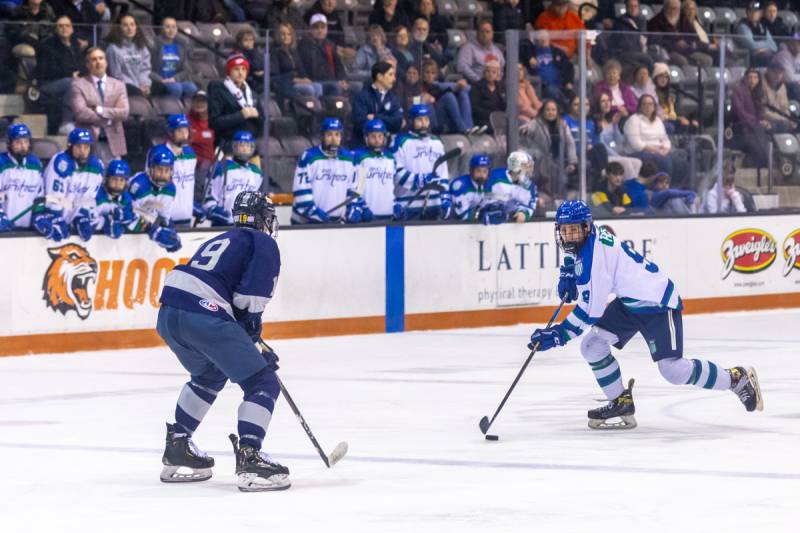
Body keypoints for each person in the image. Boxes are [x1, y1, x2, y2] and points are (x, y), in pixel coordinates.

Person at [528, 200, 763, 430]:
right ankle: (620, 401)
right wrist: (568, 272)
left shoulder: (595, 260)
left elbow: (590, 312)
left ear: (586, 227)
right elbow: (573, 253)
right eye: (564, 230)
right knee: (592, 346)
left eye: (574, 230)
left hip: (657, 302)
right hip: (631, 302)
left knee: (672, 370)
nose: (569, 236)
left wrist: (558, 335)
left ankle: (735, 378)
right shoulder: (588, 237)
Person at [157, 190, 289, 491]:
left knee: (209, 374)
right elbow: (249, 300)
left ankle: (178, 445)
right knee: (262, 383)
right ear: (264, 219)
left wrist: (253, 341)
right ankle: (250, 456)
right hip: (204, 315)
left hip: (169, 313)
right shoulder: (263, 242)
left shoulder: (222, 238)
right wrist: (256, 342)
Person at [37, 128, 103, 242]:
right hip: (51, 218)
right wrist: (55, 216)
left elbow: (88, 199)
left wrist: (81, 216)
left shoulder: (96, 167)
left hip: (72, 220)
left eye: (86, 147)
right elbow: (53, 196)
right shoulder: (61, 162)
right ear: (70, 146)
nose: (82, 151)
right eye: (78, 147)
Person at [292, 118, 357, 224]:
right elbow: (301, 191)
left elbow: (352, 189)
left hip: (335, 223)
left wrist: (352, 209)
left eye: (337, 135)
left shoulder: (348, 158)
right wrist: (315, 213)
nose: (333, 139)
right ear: (322, 136)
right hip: (306, 223)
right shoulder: (309, 157)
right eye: (329, 134)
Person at [70, 47, 130, 161]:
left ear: (106, 62)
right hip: (89, 143)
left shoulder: (119, 85)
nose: (98, 62)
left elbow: (124, 112)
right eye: (94, 59)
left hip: (114, 142)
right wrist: (108, 119)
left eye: (101, 58)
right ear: (87, 65)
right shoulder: (78, 84)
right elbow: (81, 113)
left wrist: (101, 110)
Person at [393, 104, 451, 220]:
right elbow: (397, 173)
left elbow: (443, 173)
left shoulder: (437, 143)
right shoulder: (401, 142)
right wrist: (420, 179)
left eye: (426, 119)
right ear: (411, 121)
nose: (424, 123)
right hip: (408, 204)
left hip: (434, 204)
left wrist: (445, 196)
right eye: (419, 120)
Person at [33, 15, 85, 135]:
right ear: (55, 29)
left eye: (67, 26)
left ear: (72, 29)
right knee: (73, 83)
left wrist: (79, 74)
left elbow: (82, 65)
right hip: (48, 84)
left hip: (72, 79)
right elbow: (46, 70)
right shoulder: (47, 46)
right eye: (60, 26)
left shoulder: (75, 45)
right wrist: (70, 74)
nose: (64, 28)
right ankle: (65, 122)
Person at [623, 94, 688, 188]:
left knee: (681, 157)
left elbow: (665, 139)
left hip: (659, 151)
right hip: (640, 152)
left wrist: (666, 149)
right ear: (640, 106)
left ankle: (675, 187)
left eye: (650, 104)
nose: (647, 106)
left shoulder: (657, 120)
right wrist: (656, 150)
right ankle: (663, 189)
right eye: (644, 104)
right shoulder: (634, 120)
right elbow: (636, 144)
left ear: (654, 107)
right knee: (664, 160)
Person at [204, 131, 263, 226]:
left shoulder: (256, 172)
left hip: (246, 225)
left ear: (252, 148)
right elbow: (208, 197)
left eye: (247, 145)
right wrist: (217, 212)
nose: (244, 148)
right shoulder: (221, 168)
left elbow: (258, 200)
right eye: (241, 145)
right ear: (234, 147)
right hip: (222, 224)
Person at [129, 145, 181, 252]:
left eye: (167, 170)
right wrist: (151, 229)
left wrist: (170, 231)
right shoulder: (139, 185)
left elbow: (164, 217)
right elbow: (127, 215)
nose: (163, 175)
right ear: (151, 169)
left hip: (143, 234)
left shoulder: (171, 189)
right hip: (126, 234)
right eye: (159, 170)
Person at [520, 99, 578, 194]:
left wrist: (572, 162)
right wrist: (524, 130)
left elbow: (570, 143)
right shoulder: (537, 123)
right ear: (543, 111)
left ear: (557, 112)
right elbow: (526, 128)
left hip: (559, 161)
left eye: (553, 110)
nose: (550, 112)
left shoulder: (563, 125)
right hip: (540, 162)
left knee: (561, 182)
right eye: (548, 110)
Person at [149, 114, 198, 227]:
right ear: (170, 132)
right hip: (164, 218)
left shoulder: (191, 154)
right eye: (179, 130)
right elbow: (151, 184)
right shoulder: (158, 153)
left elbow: (187, 185)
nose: (184, 134)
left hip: (186, 217)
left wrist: (192, 206)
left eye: (186, 130)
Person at [208, 53, 265, 148]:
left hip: (250, 147)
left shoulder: (252, 94)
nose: (240, 73)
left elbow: (263, 122)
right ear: (229, 72)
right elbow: (214, 122)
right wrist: (241, 115)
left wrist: (258, 116)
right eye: (236, 69)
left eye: (243, 69)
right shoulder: (218, 91)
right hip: (228, 146)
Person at [350, 119, 397, 221]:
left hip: (388, 215)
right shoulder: (361, 157)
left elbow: (390, 187)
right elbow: (358, 188)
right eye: (373, 137)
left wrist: (395, 204)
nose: (377, 140)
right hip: (369, 216)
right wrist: (361, 208)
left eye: (380, 136)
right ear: (366, 138)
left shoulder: (390, 158)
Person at [0, 123, 44, 232]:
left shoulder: (36, 164)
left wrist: (38, 216)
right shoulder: (1, 163)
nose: (23, 146)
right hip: (4, 230)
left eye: (26, 142)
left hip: (28, 230)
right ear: (9, 143)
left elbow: (39, 197)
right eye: (18, 142)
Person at [105, 14, 159, 98]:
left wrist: (145, 85)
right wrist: (137, 87)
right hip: (124, 86)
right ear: (119, 28)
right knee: (137, 93)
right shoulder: (113, 49)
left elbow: (145, 70)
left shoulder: (142, 47)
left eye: (132, 24)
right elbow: (116, 76)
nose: (130, 28)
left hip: (140, 85)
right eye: (125, 25)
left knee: (165, 89)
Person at [420, 59, 478, 135]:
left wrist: (459, 86)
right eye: (427, 72)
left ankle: (469, 128)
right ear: (422, 74)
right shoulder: (419, 86)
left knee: (463, 94)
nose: (430, 75)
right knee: (448, 96)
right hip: (433, 121)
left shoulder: (436, 85)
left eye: (433, 73)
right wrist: (424, 98)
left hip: (444, 116)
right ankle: (463, 129)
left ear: (436, 75)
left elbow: (466, 88)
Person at [352, 61, 404, 146]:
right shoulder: (362, 97)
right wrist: (387, 120)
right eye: (390, 75)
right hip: (363, 148)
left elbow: (397, 122)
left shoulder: (393, 98)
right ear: (379, 77)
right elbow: (360, 122)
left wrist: (375, 117)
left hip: (386, 148)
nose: (394, 79)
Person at [593, 92, 643, 181]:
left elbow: (619, 142)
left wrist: (615, 125)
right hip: (603, 157)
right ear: (597, 104)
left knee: (638, 162)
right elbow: (602, 145)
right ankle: (632, 187)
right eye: (603, 101)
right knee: (626, 162)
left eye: (608, 100)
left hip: (614, 155)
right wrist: (618, 157)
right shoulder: (595, 122)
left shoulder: (610, 121)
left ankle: (630, 186)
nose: (607, 103)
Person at [297, 14, 349, 97]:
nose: (320, 30)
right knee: (335, 87)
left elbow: (339, 67)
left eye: (322, 27)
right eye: (316, 27)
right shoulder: (304, 45)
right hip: (314, 81)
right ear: (310, 29)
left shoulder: (330, 45)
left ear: (326, 29)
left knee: (356, 87)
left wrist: (343, 79)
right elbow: (301, 67)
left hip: (332, 80)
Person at [151, 17, 198, 100]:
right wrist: (160, 79)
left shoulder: (182, 45)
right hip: (159, 80)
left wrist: (175, 78)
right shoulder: (154, 45)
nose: (171, 30)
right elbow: (147, 68)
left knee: (192, 88)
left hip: (176, 79)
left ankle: (186, 112)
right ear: (161, 29)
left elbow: (187, 69)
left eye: (174, 27)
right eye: (167, 27)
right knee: (176, 88)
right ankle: (169, 112)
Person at [732, 68, 772, 167]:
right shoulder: (738, 91)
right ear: (745, 78)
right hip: (741, 127)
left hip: (756, 127)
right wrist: (755, 122)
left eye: (755, 77)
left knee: (769, 134)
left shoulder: (759, 93)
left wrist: (763, 121)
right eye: (750, 77)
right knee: (759, 147)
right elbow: (739, 112)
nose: (752, 80)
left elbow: (760, 113)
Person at [522, 30, 574, 106]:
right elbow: (522, 43)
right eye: (541, 38)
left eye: (545, 37)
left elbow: (569, 67)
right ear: (536, 40)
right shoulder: (531, 51)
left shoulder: (557, 52)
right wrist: (529, 57)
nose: (543, 40)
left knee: (572, 93)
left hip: (559, 85)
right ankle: (566, 105)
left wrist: (569, 82)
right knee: (551, 90)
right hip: (541, 87)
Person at [486, 150, 539, 222]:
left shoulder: (530, 186)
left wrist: (523, 212)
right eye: (526, 166)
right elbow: (483, 196)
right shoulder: (494, 177)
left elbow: (530, 204)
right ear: (516, 166)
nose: (530, 170)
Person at [92, 159, 138, 239]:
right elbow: (90, 219)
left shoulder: (127, 199)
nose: (118, 184)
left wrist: (128, 219)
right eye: (114, 179)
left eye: (121, 180)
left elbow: (137, 223)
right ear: (107, 179)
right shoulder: (96, 195)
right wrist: (105, 222)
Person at [450, 154, 498, 222]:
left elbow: (493, 203)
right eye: (478, 171)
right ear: (471, 171)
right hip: (451, 225)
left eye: (485, 171)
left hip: (474, 227)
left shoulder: (489, 184)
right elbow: (463, 215)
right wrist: (482, 215)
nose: (482, 175)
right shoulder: (461, 185)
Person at [456, 19, 505, 84]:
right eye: (482, 31)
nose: (484, 35)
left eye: (487, 32)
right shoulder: (468, 48)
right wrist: (479, 81)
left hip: (494, 87)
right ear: (477, 33)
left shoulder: (497, 51)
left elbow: (501, 70)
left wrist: (496, 83)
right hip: (474, 86)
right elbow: (462, 67)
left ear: (492, 34)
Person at [188, 91, 216, 204]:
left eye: (203, 101)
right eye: (196, 101)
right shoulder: (186, 120)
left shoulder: (215, 120)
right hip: (195, 162)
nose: (199, 104)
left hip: (213, 161)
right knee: (203, 166)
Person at [736, 1, 778, 67]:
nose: (753, 14)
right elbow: (751, 45)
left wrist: (763, 48)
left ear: (760, 13)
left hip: (764, 54)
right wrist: (766, 44)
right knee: (770, 57)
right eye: (750, 11)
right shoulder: (743, 26)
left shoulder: (762, 26)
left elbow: (774, 46)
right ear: (746, 12)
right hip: (750, 56)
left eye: (756, 11)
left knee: (779, 57)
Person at [470, 60, 506, 133]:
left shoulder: (502, 87)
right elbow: (475, 108)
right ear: (484, 73)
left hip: (499, 119)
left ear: (498, 75)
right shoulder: (477, 86)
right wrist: (491, 115)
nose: (490, 74)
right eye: (488, 71)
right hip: (482, 120)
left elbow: (505, 105)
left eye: (493, 72)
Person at [762, 60, 795, 133]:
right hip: (765, 120)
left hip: (781, 119)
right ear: (768, 71)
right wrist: (782, 119)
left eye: (780, 72)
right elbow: (763, 111)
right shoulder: (760, 85)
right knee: (783, 124)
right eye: (774, 72)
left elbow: (785, 107)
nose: (777, 75)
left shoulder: (782, 86)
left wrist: (790, 119)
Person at [234, 28, 266, 95]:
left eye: (251, 40)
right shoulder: (237, 54)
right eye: (246, 40)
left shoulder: (256, 52)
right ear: (239, 42)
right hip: (247, 81)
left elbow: (262, 65)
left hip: (260, 79)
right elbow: (253, 66)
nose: (249, 42)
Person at [773, 34, 800, 102]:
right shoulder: (783, 55)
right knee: (794, 86)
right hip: (779, 85)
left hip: (795, 84)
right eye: (798, 43)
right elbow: (789, 78)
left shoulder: (798, 55)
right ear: (791, 44)